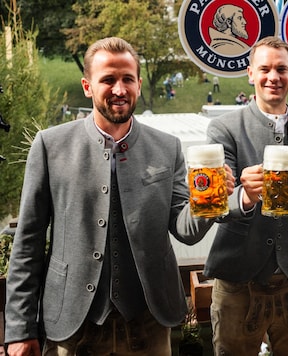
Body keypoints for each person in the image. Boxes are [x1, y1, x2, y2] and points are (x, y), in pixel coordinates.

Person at [4, 36, 235, 356]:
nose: (119, 89)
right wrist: (19, 328)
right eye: (108, 79)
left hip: (148, 321)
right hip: (73, 323)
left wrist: (211, 201)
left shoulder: (168, 147)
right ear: (87, 86)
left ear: (139, 84)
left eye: (127, 79)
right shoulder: (49, 145)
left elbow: (184, 230)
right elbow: (27, 241)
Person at [203, 36, 288, 355]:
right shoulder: (224, 127)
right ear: (250, 74)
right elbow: (216, 206)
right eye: (265, 69)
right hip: (238, 280)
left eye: (281, 69)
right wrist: (244, 195)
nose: (273, 76)